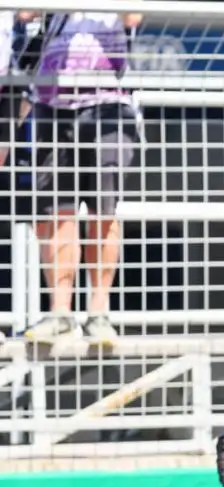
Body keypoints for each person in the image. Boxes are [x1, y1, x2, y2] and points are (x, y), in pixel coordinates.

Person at [16, 10, 142, 348]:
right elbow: (25, 14)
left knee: (104, 211)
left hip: (109, 102)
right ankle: (59, 314)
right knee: (57, 211)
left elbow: (133, 15)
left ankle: (98, 314)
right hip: (50, 101)